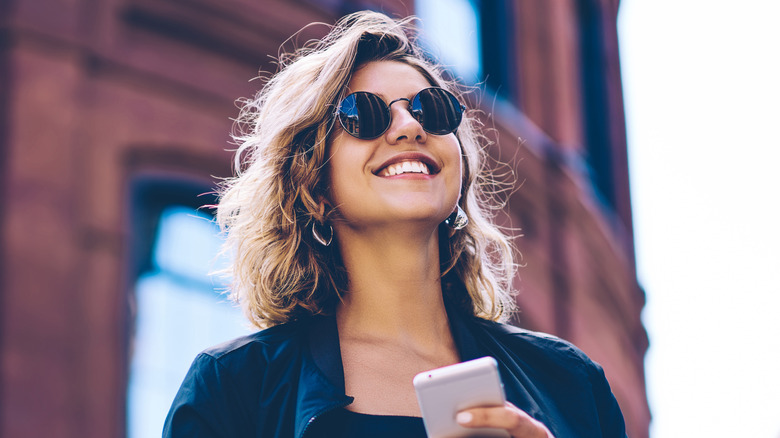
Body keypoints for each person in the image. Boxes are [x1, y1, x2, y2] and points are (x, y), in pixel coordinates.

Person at [163, 10, 627, 438]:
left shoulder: (570, 383)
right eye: (364, 114)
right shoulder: (233, 387)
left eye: (432, 109)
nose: (408, 126)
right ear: (313, 188)